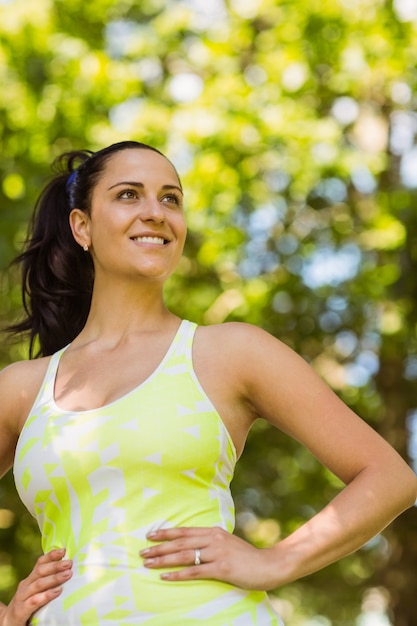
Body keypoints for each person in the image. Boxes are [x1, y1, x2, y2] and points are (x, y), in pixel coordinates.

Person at [0, 140, 415, 626]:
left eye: (171, 198)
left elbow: (390, 477)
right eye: (129, 195)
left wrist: (274, 561)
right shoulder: (23, 387)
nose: (156, 212)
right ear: (82, 226)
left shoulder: (230, 352)